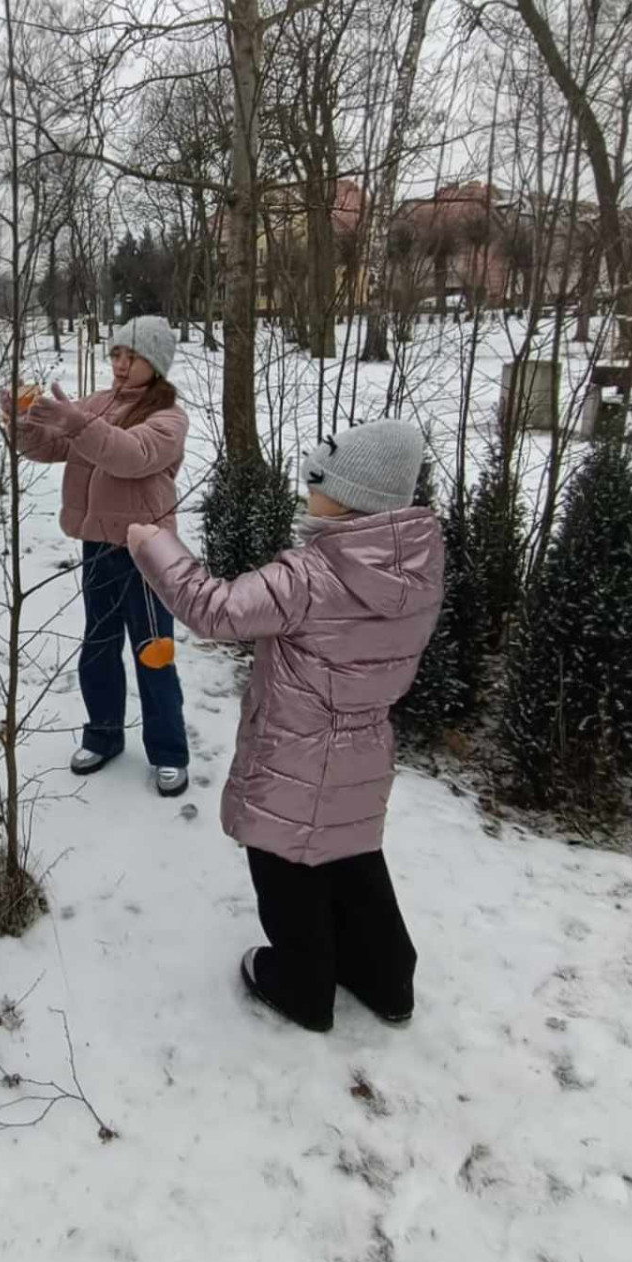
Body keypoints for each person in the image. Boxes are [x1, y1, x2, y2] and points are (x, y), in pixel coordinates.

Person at [126, 420, 443, 1033]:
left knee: (285, 861)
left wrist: (154, 546)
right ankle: (387, 977)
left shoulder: (311, 575)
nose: (307, 492)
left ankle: (301, 984)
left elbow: (214, 609)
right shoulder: (417, 565)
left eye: (318, 483)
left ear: (350, 499)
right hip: (365, 749)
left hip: (294, 752)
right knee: (351, 855)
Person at [2, 315, 191, 798]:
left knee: (153, 651)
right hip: (98, 544)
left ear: (156, 363)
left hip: (146, 549)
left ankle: (169, 752)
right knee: (99, 644)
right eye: (116, 354)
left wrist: (80, 423)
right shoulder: (96, 403)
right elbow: (51, 447)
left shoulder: (169, 418)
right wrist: (20, 423)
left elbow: (131, 455)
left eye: (132, 356)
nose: (120, 364)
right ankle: (103, 735)